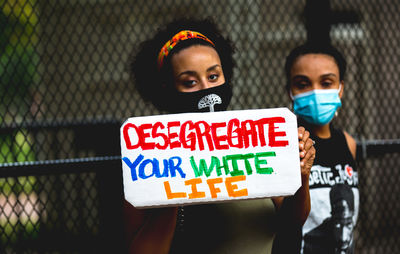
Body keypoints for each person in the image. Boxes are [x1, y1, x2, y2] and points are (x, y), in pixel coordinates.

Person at [124, 17, 315, 254]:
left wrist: (302, 175)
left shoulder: (254, 139)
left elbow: (292, 220)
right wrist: (170, 184)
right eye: (190, 82)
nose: (207, 89)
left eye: (213, 77)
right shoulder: (145, 155)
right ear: (167, 88)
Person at [273, 43, 359, 254]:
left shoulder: (348, 142)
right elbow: (287, 221)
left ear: (341, 89)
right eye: (303, 84)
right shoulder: (280, 145)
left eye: (326, 82)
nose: (315, 92)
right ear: (290, 92)